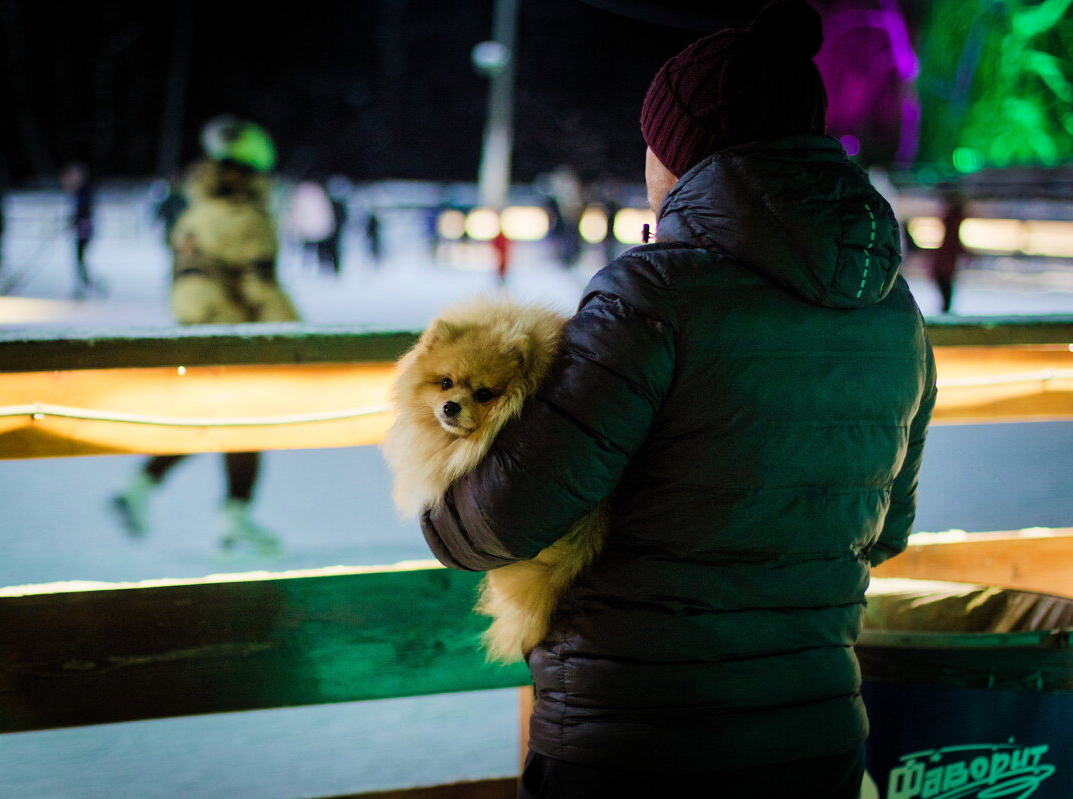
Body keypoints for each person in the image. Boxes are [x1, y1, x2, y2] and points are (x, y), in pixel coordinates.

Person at [419, 2, 937, 797]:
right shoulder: (891, 305)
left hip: (637, 744)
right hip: (816, 739)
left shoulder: (652, 296)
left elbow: (501, 520)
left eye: (654, 143)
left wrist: (439, 504)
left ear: (685, 153)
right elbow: (886, 530)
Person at [112, 116, 295, 552]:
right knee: (237, 425)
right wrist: (295, 339)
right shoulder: (247, 218)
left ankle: (148, 488)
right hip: (235, 338)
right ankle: (232, 515)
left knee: (216, 423)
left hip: (197, 333)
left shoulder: (193, 213)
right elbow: (261, 287)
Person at [59, 163, 102, 300]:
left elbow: (84, 211)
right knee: (79, 259)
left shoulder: (84, 191)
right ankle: (85, 283)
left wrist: (76, 221)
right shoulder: (79, 191)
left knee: (80, 258)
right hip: (81, 229)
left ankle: (86, 283)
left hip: (84, 230)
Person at [930, 189, 967, 313]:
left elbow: (952, 242)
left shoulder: (951, 219)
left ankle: (945, 312)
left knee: (945, 293)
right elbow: (953, 242)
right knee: (946, 293)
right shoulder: (954, 220)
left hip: (944, 262)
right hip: (945, 263)